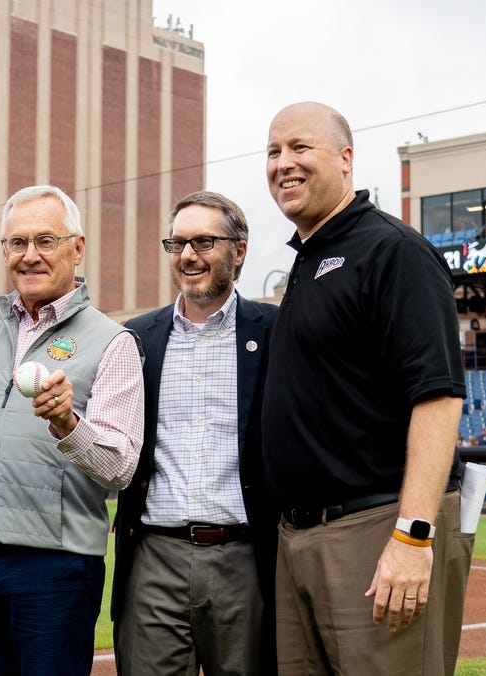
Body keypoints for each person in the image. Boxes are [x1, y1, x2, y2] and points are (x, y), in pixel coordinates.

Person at [262, 102, 470, 674]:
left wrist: (413, 536)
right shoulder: (310, 258)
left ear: (346, 158)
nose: (284, 163)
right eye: (274, 151)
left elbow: (439, 396)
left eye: (300, 147)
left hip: (373, 528)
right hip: (299, 536)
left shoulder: (392, 250)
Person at [0, 185, 145, 675]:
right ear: (4, 252)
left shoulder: (113, 342)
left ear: (76, 248)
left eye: (46, 241)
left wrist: (68, 423)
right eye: (17, 243)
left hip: (56, 569)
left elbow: (119, 468)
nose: (29, 255)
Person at [112, 191, 279, 675]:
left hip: (244, 558)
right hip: (153, 558)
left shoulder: (275, 330)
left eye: (204, 242)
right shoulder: (136, 336)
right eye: (178, 243)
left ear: (239, 251)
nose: (188, 255)